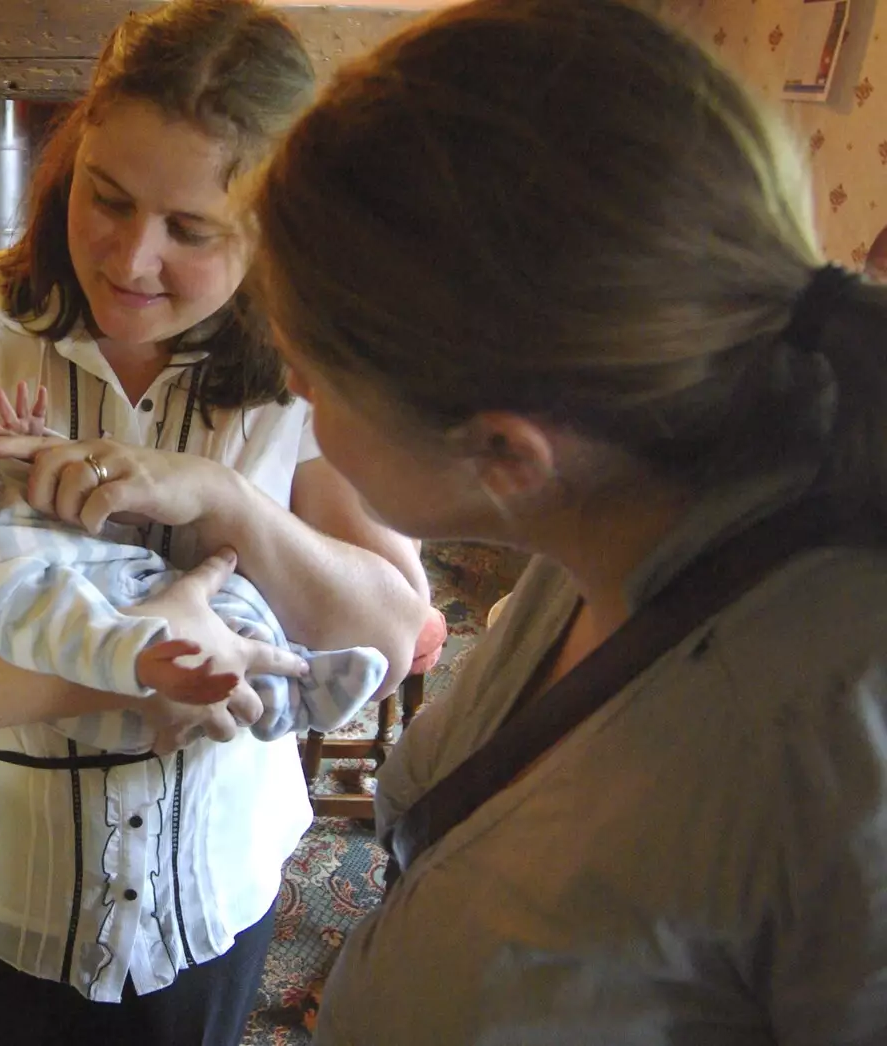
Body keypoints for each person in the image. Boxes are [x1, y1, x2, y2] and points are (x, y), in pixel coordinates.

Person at [0, 1, 434, 1041]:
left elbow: (390, 635)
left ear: (268, 229)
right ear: (68, 159)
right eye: (107, 198)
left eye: (191, 230)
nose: (130, 260)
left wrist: (223, 499)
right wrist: (143, 665)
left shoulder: (313, 363)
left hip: (205, 912)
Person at [249, 0, 887, 1042]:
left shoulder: (836, 748)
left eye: (312, 374)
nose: (290, 386)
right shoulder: (602, 521)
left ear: (504, 452)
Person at [0, 409, 392, 752]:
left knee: (237, 599)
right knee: (235, 625)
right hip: (129, 642)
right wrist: (149, 659)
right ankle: (301, 693)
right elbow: (67, 628)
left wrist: (42, 445)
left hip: (144, 595)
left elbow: (52, 497)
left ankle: (300, 666)